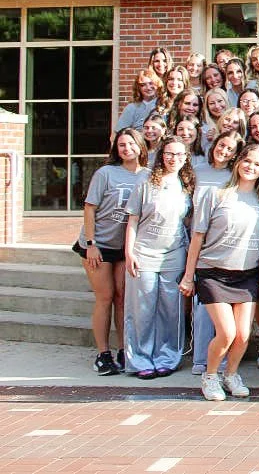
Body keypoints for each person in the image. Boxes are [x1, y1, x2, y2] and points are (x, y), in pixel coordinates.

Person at [180, 143, 259, 401]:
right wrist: (189, 275)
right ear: (238, 161)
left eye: (257, 164)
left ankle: (230, 374)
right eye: (248, 161)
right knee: (227, 332)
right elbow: (197, 236)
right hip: (212, 271)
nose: (251, 167)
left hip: (247, 273)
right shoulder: (216, 194)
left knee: (243, 335)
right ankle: (210, 376)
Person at [77, 128, 151, 376]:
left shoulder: (149, 176)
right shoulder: (106, 173)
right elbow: (89, 208)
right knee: (105, 297)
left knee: (122, 298)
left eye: (131, 144)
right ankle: (103, 353)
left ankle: (123, 350)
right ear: (116, 149)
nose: (126, 148)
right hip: (98, 245)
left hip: (124, 247)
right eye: (121, 145)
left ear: (140, 146)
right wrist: (91, 243)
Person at [123, 135, 193, 379]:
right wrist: (129, 252)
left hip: (174, 254)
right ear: (162, 155)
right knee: (142, 309)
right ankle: (141, 359)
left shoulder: (186, 184)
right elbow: (132, 219)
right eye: (170, 153)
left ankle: (167, 357)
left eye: (180, 154)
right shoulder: (146, 180)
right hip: (144, 252)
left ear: (186, 158)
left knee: (170, 310)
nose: (174, 158)